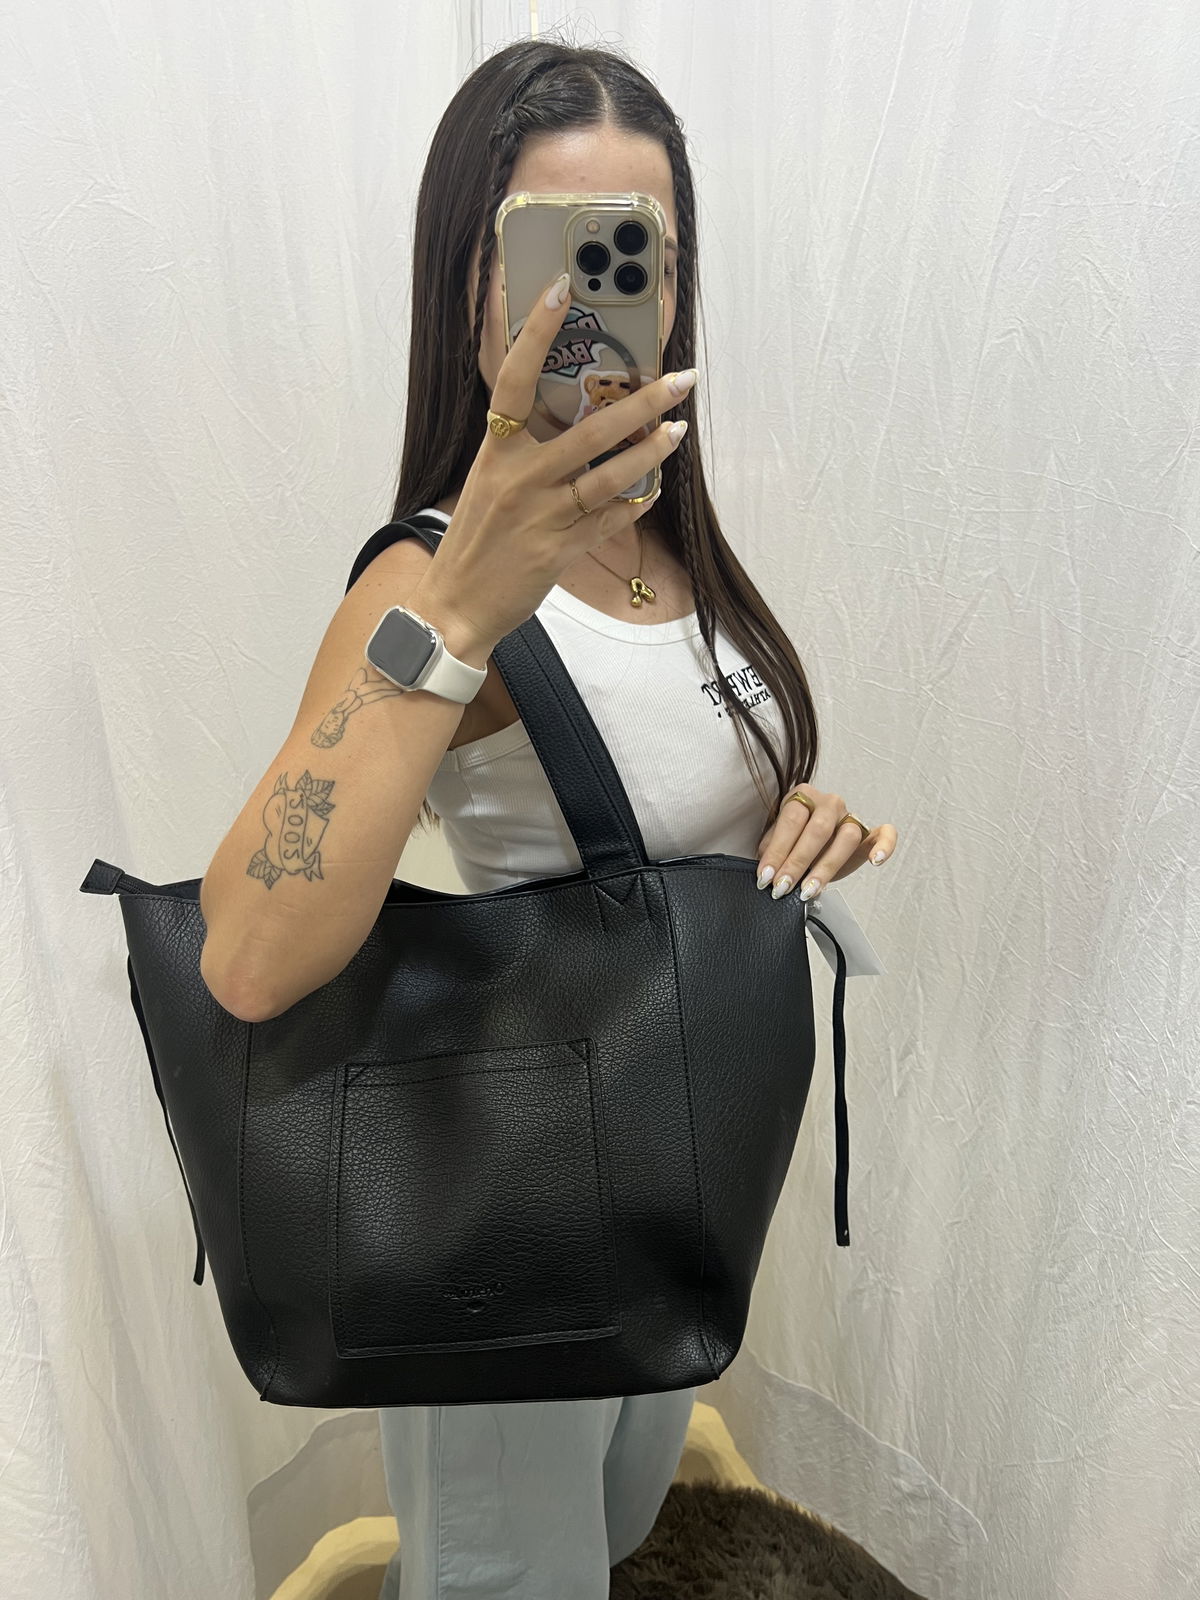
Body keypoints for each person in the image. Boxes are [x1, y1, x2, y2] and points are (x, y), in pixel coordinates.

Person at [199, 35, 896, 1600]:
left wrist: (798, 827)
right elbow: (246, 955)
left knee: (616, 1534)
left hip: (665, 1177)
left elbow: (672, 794)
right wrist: (457, 607)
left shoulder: (664, 540)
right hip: (513, 1230)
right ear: (470, 284)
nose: (594, 298)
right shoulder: (427, 577)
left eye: (637, 251)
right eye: (547, 252)